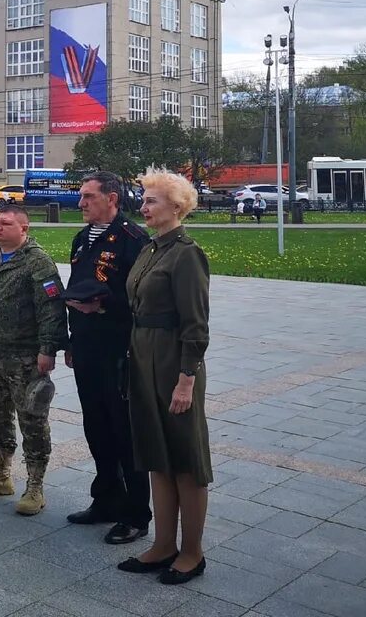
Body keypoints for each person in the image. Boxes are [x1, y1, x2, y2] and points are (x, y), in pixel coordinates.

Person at [118, 168, 212, 586]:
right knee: (157, 455)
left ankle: (192, 552)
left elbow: (196, 324)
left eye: (151, 200)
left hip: (175, 360)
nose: (144, 206)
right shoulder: (150, 250)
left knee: (185, 460)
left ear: (177, 207)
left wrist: (186, 379)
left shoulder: (186, 253)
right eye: (144, 199)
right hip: (143, 356)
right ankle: (163, 545)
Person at [65, 172, 152, 544]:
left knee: (124, 432)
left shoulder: (133, 239)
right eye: (81, 197)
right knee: (95, 426)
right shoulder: (82, 238)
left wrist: (103, 304)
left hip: (118, 346)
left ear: (112, 199)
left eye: (88, 197)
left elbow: (141, 299)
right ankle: (106, 499)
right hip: (87, 346)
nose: (81, 203)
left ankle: (136, 513)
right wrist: (71, 340)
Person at [0, 203, 65, 514]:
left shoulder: (38, 263)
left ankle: (35, 485)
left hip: (25, 359)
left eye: (5, 224)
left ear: (23, 229)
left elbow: (52, 310)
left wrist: (48, 349)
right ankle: (0, 474)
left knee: (32, 422)